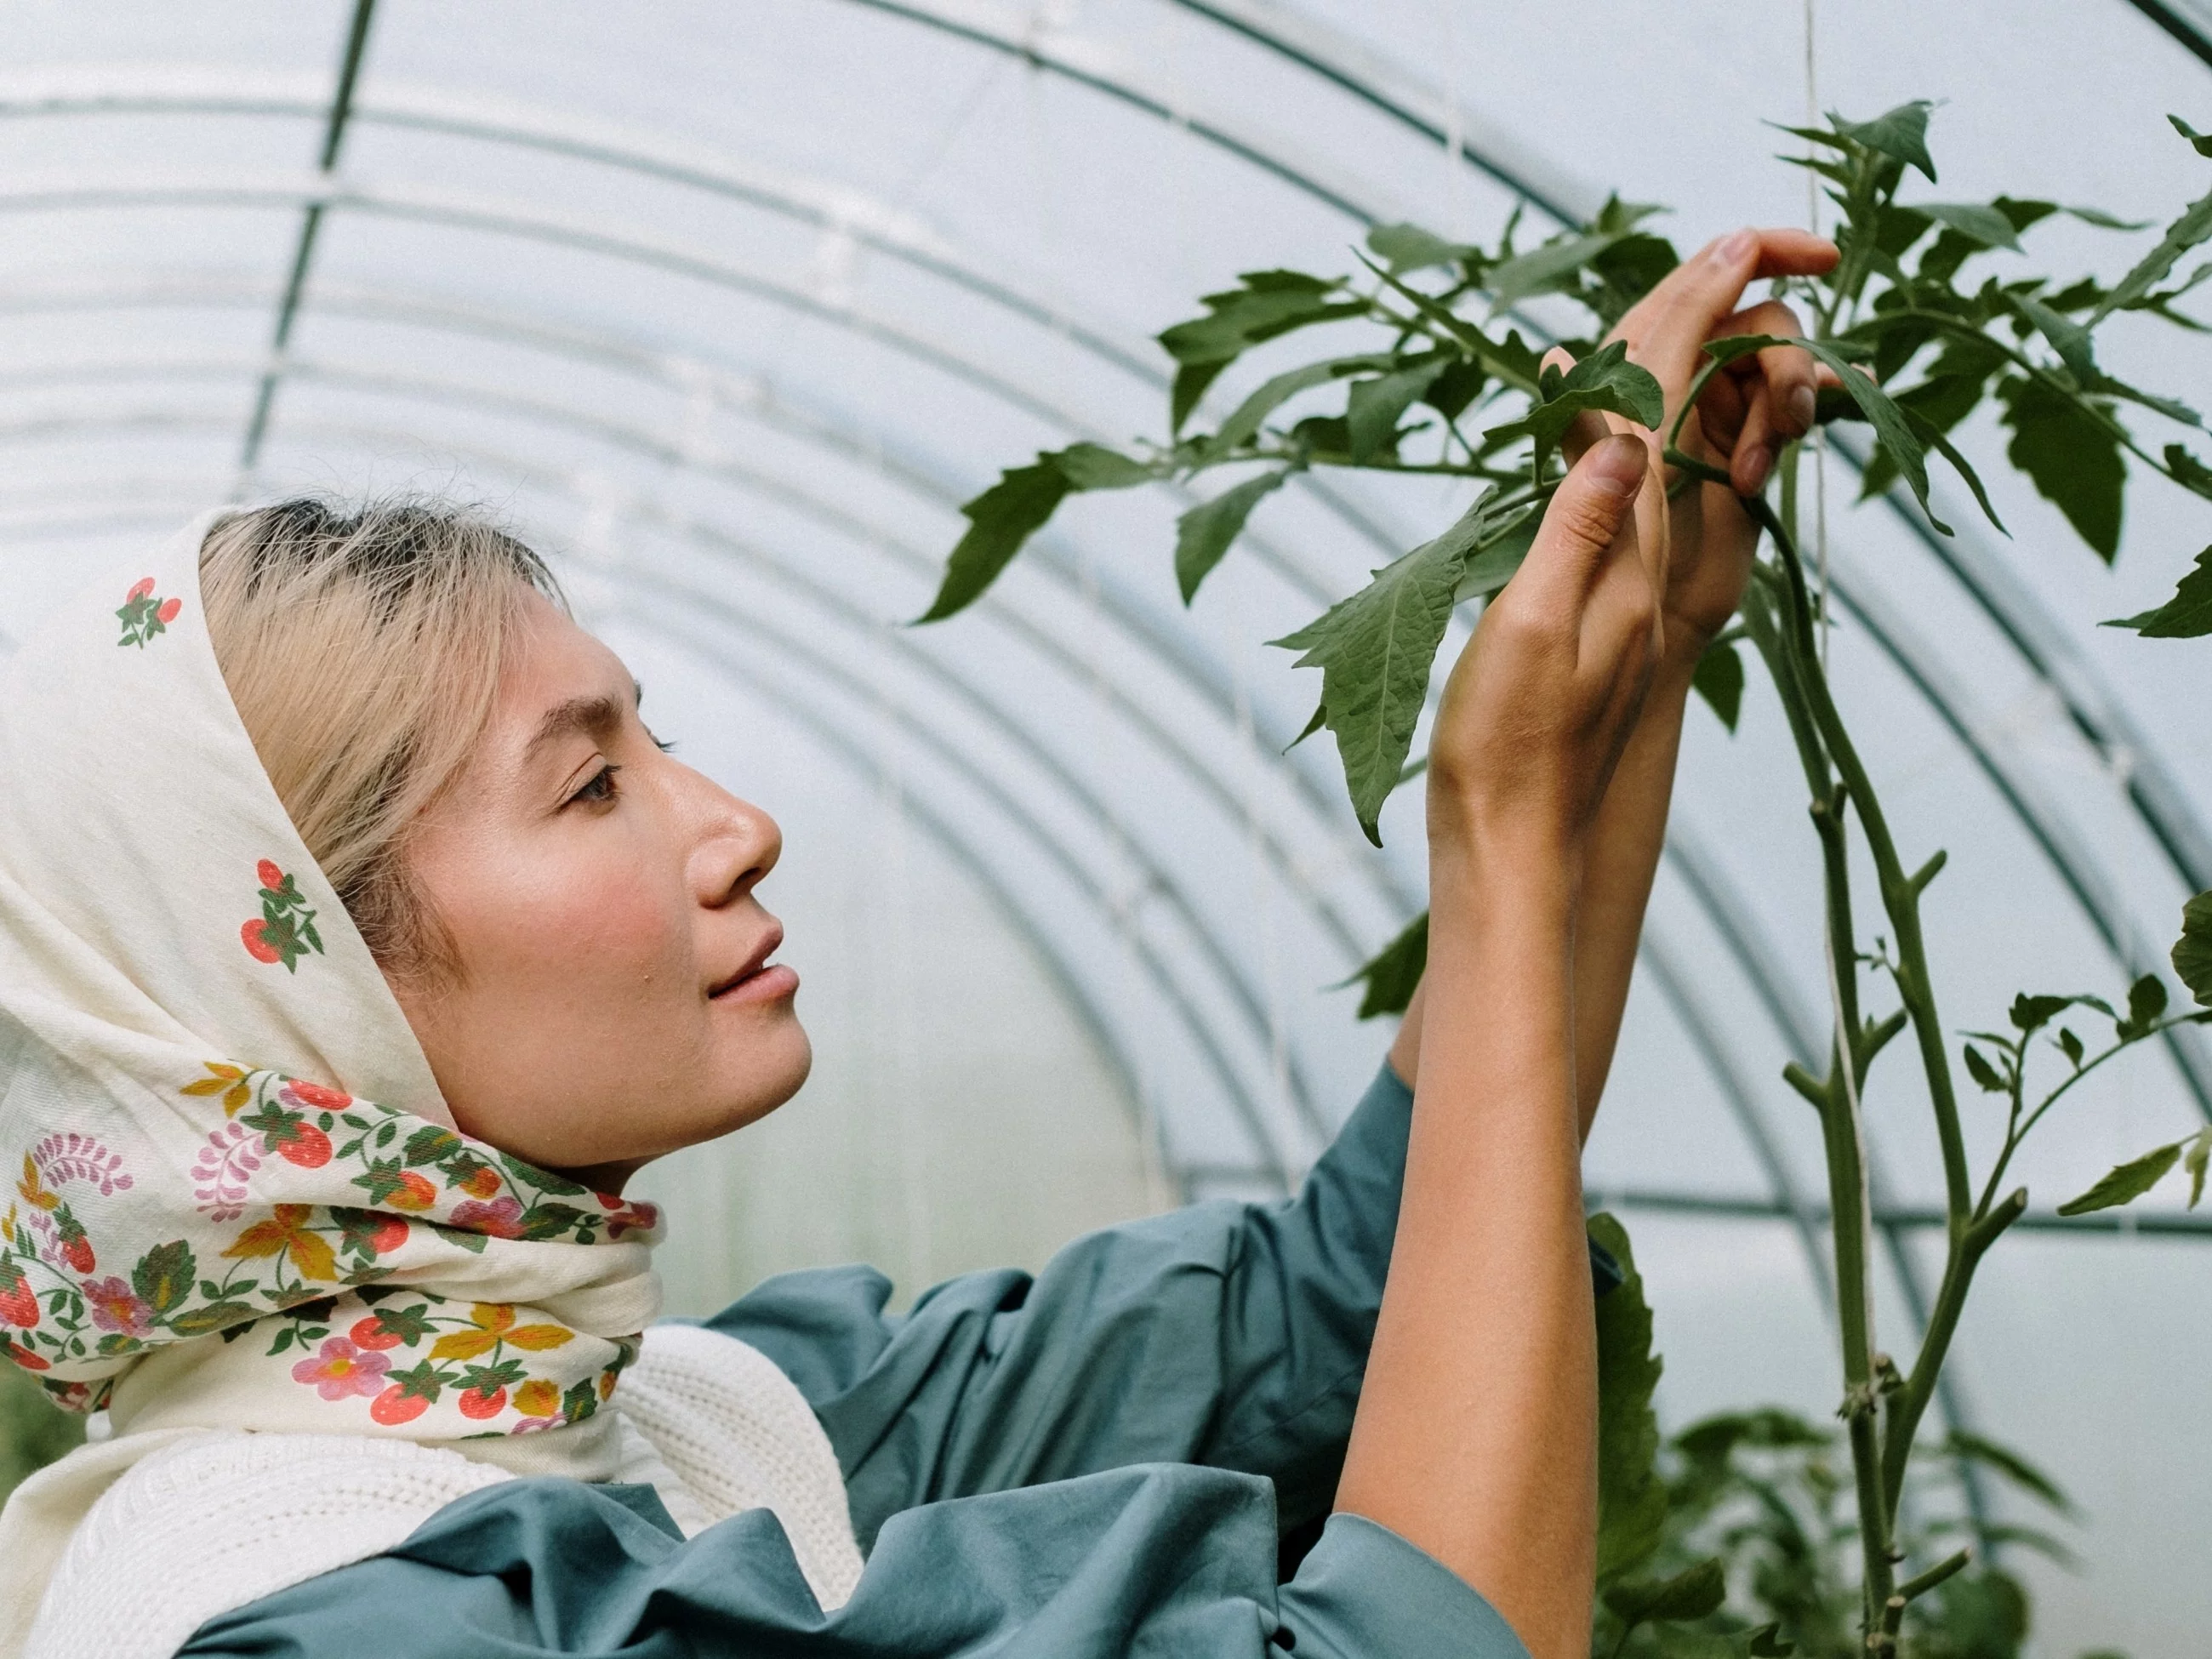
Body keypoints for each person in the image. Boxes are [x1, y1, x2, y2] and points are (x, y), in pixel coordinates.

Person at [0, 227, 1833, 1659]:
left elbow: (1336, 1299)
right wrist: (1494, 850)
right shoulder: (340, 1618)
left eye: (659, 733)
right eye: (588, 788)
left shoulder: (675, 1419)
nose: (734, 824)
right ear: (300, 993)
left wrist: (1642, 657)